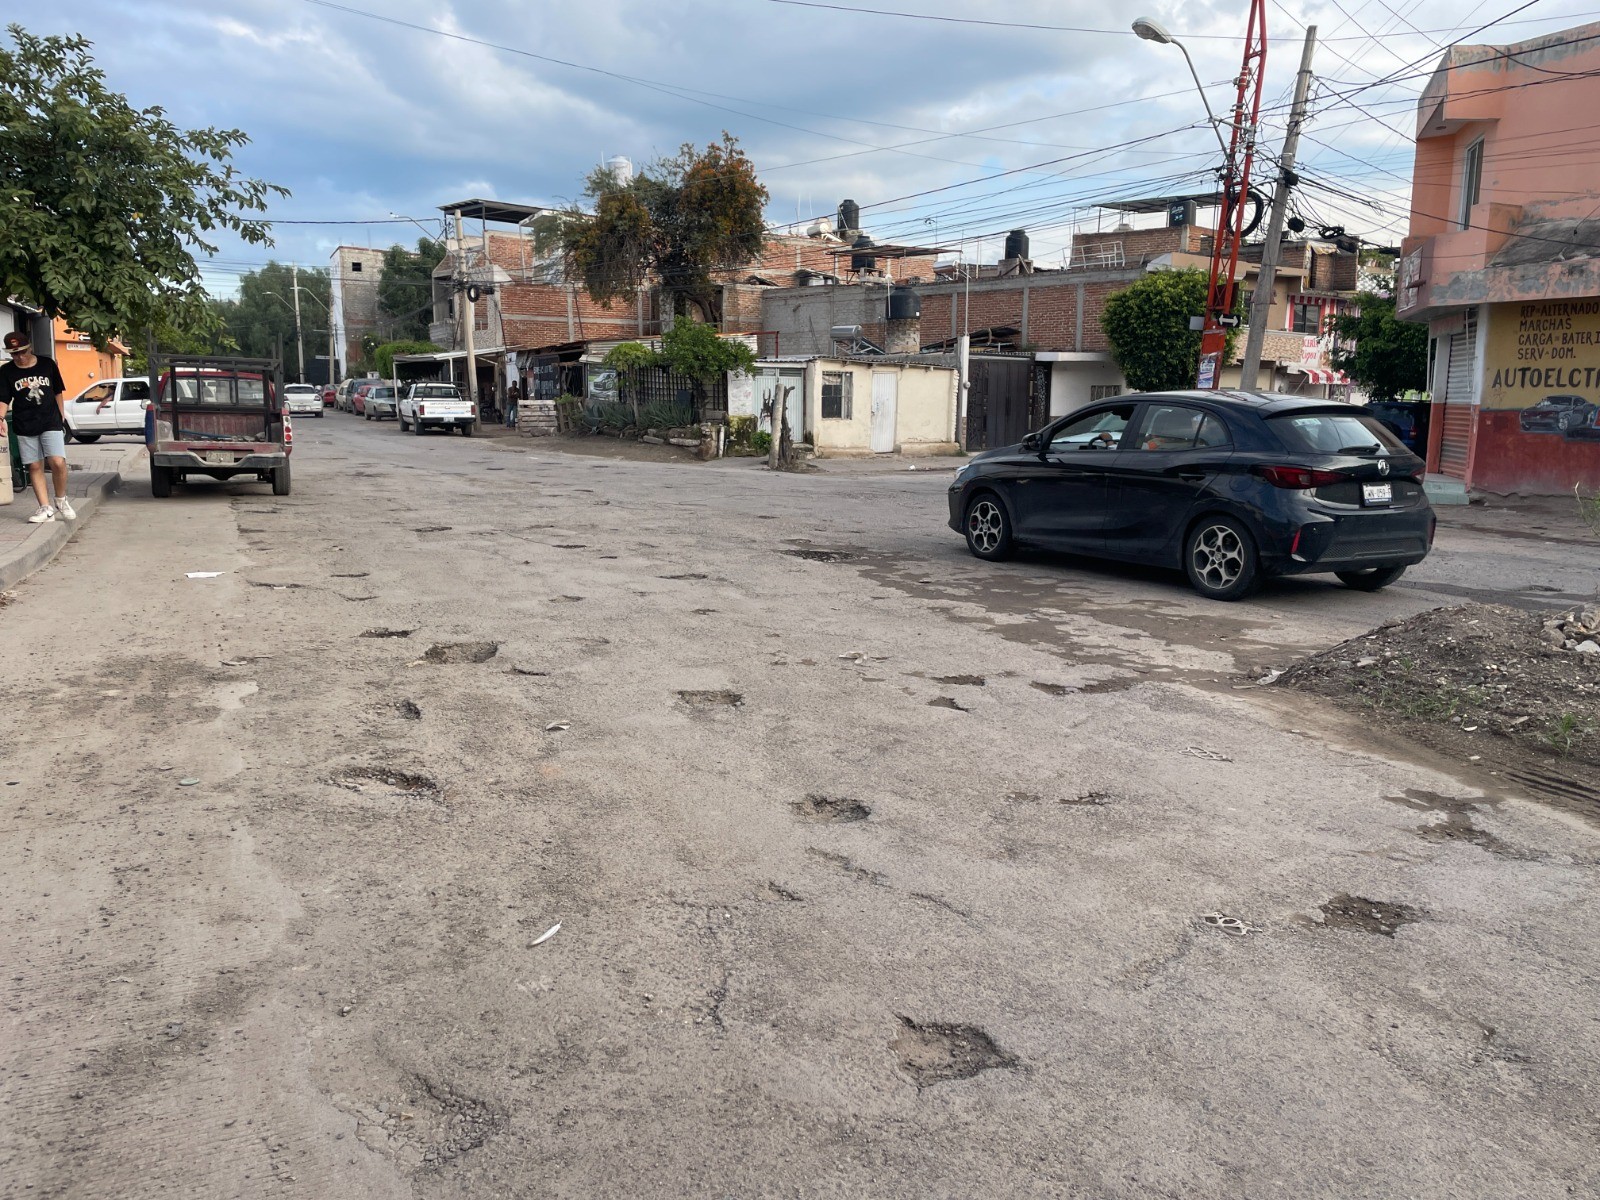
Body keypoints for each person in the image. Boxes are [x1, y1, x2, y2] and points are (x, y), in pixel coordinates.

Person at [0, 331, 75, 523]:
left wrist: (61, 416)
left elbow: (58, 392)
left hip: (50, 420)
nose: (19, 357)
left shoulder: (47, 364)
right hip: (24, 422)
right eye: (14, 354)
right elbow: (3, 398)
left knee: (57, 462)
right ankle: (45, 508)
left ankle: (61, 499)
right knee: (34, 465)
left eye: (22, 351)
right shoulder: (7, 371)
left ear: (29, 347)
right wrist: (0, 418)